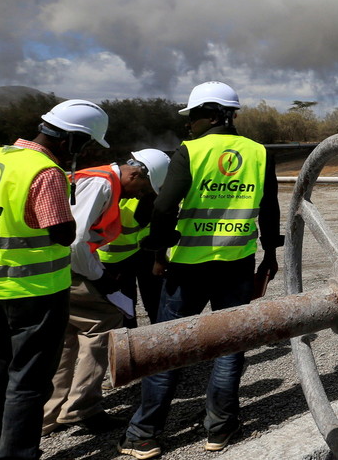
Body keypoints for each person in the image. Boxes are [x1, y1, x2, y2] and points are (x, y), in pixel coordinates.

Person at [118, 82, 281, 459]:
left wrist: (158, 253)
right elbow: (269, 210)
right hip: (238, 264)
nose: (189, 124)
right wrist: (270, 258)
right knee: (230, 345)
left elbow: (163, 208)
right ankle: (220, 429)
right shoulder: (259, 152)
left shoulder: (189, 151)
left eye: (192, 116)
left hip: (188, 266)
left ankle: (144, 434)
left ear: (212, 114)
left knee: (168, 347)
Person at [0, 99, 109, 460]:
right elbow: (62, 233)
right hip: (32, 291)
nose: (81, 152)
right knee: (27, 381)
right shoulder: (46, 171)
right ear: (71, 139)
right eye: (83, 144)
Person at [42, 148, 170, 436]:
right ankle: (80, 408)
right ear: (136, 173)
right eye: (144, 188)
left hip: (58, 269)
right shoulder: (101, 184)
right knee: (105, 323)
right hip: (73, 268)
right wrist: (101, 278)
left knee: (66, 336)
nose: (140, 195)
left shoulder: (98, 180)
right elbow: (76, 243)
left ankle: (48, 413)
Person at [98, 151, 171, 329]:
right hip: (113, 261)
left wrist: (159, 259)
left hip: (145, 254)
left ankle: (160, 342)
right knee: (124, 307)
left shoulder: (152, 193)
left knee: (155, 301)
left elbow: (161, 227)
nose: (142, 193)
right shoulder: (111, 191)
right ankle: (131, 347)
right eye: (146, 187)